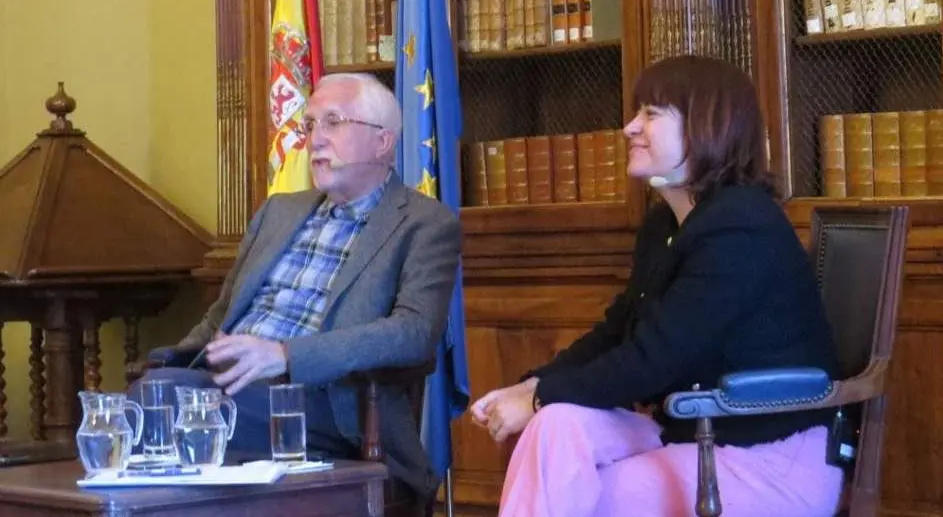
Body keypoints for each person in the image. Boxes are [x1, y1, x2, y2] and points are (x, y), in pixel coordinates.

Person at [470, 55, 844, 517]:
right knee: (557, 426)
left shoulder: (742, 225)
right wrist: (533, 386)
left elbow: (653, 359)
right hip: (694, 427)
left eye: (650, 114)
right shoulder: (664, 224)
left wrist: (538, 397)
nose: (629, 127)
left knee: (575, 494)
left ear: (706, 126)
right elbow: (618, 331)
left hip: (766, 456)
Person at [130, 72, 461, 502]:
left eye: (333, 122)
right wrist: (175, 358)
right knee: (150, 399)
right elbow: (223, 312)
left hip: (327, 404)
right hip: (230, 385)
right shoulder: (278, 211)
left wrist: (285, 356)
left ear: (382, 142)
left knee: (167, 407)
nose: (315, 140)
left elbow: (413, 334)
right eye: (309, 125)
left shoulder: (424, 223)